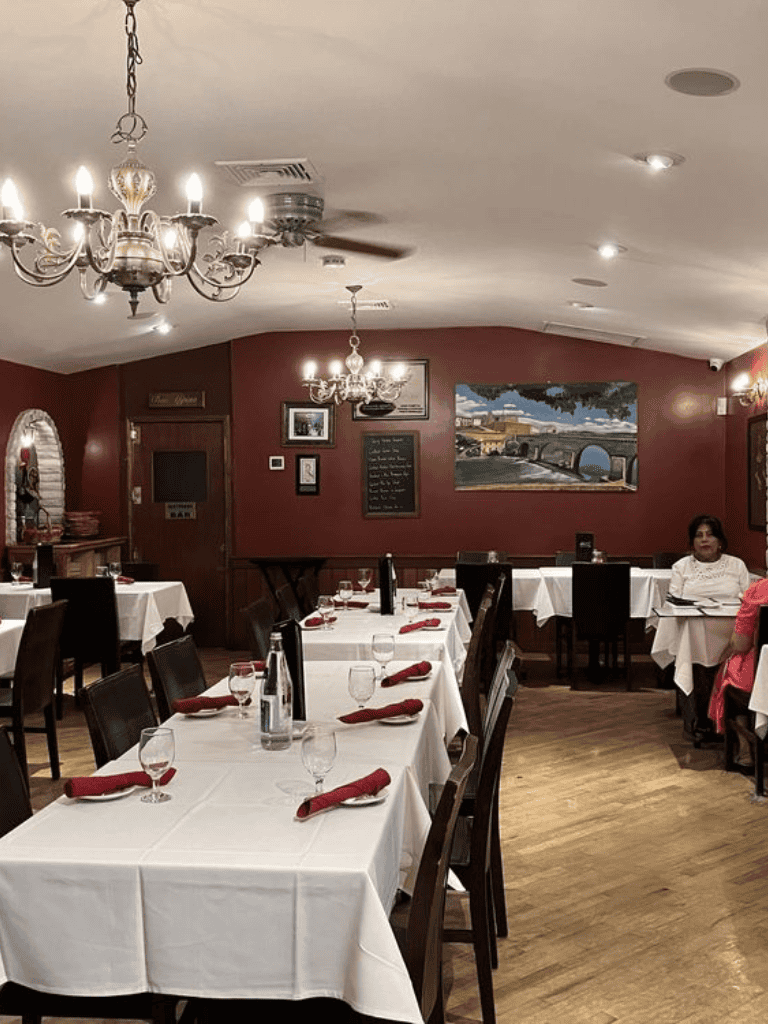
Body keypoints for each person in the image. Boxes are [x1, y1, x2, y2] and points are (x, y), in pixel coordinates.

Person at [668, 515, 750, 743]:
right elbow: (674, 602)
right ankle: (701, 722)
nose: (705, 540)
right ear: (691, 542)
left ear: (720, 540)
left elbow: (748, 600)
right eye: (699, 535)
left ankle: (729, 720)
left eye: (710, 534)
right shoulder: (681, 567)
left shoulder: (737, 565)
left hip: (734, 634)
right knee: (701, 669)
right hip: (695, 633)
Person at [708, 577, 768, 767]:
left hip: (762, 674)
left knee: (733, 670)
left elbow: (741, 644)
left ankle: (745, 750)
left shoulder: (759, 590)